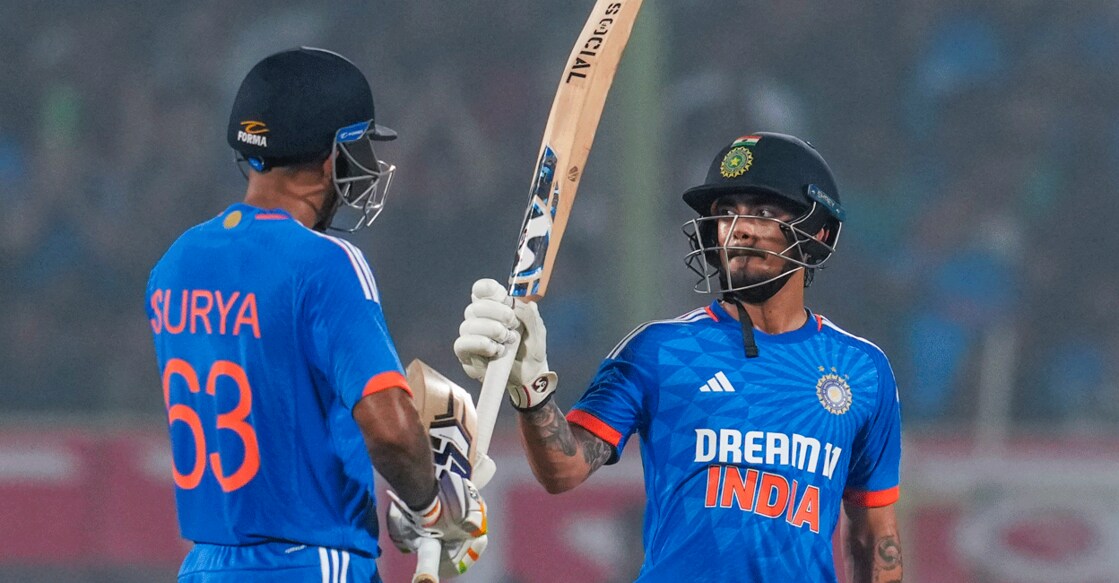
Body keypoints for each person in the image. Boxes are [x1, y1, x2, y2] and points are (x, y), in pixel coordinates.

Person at [455, 133, 903, 582]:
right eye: (726, 213)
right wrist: (531, 391)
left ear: (818, 232)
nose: (739, 227)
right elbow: (563, 470)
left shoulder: (863, 371)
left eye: (764, 212)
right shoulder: (658, 350)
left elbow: (873, 537)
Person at [146, 47, 486, 582]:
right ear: (332, 158)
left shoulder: (175, 264)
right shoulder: (328, 263)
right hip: (311, 562)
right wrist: (434, 508)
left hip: (206, 565)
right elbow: (390, 428)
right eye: (358, 148)